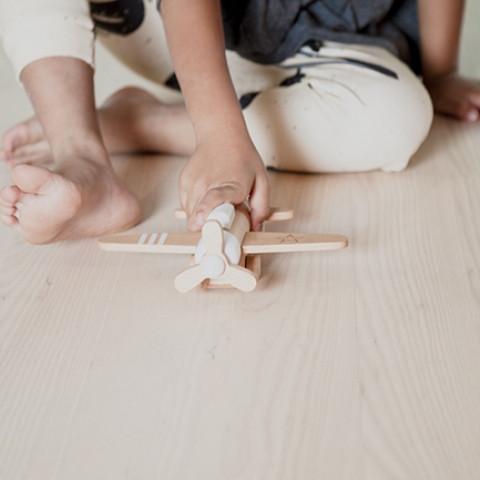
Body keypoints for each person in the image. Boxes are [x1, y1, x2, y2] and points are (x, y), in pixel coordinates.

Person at [0, 0, 476, 243]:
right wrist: (217, 131)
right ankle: (80, 152)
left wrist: (439, 73)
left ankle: (136, 122)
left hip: (329, 52)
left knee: (400, 119)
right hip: (188, 35)